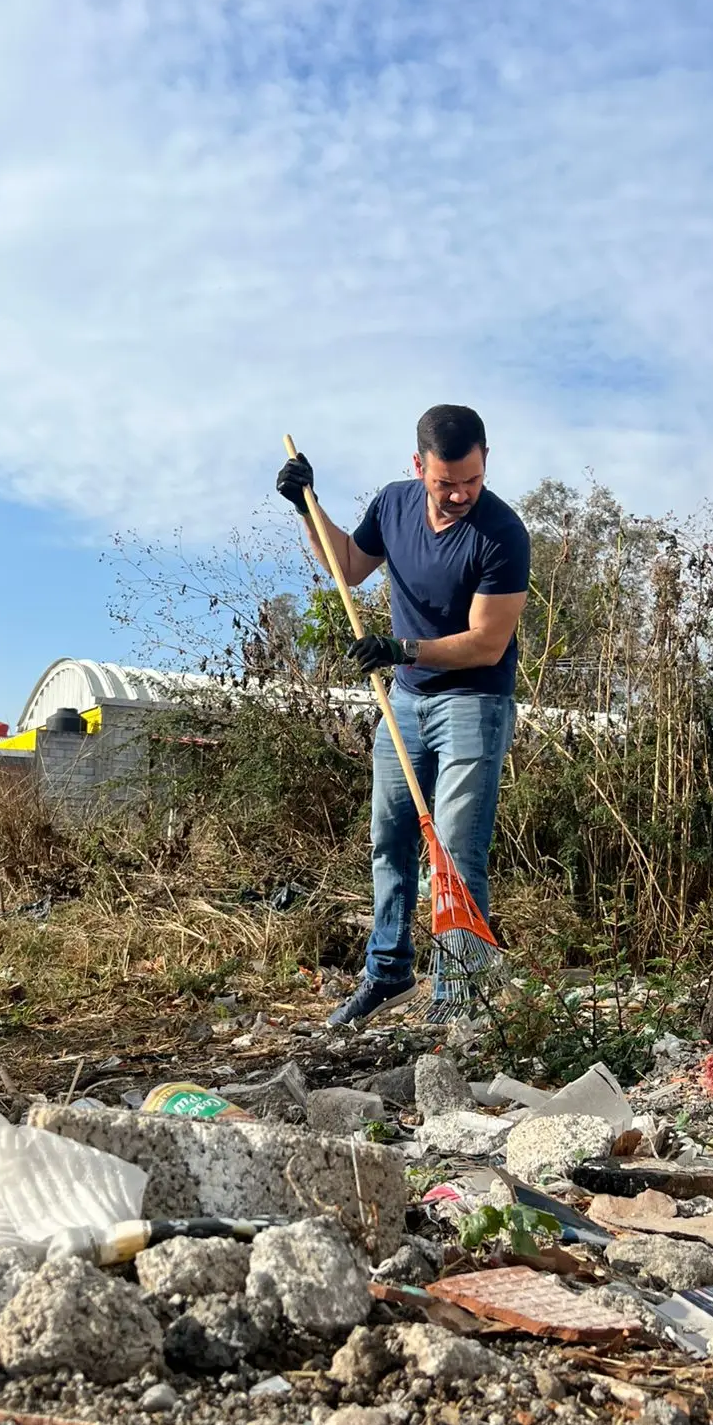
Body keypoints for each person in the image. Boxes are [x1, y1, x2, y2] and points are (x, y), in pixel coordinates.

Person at [276, 404, 530, 1025]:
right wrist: (306, 505)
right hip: (407, 704)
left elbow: (486, 642)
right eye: (447, 483)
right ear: (419, 467)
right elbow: (349, 566)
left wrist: (400, 649)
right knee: (389, 840)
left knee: (456, 849)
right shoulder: (392, 505)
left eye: (472, 479)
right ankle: (387, 972)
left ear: (486, 462)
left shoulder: (503, 534)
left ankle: (457, 995)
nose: (461, 494)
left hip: (474, 703)